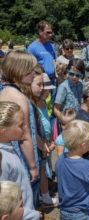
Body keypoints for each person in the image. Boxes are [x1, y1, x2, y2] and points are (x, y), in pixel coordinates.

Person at [0, 51, 40, 201]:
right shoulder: (19, 98)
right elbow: (25, 136)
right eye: (31, 69)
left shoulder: (4, 91)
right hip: (21, 158)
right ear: (19, 70)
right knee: (26, 198)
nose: (34, 73)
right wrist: (32, 167)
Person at [0, 101, 40, 219]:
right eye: (20, 125)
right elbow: (4, 205)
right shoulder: (2, 160)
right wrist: (33, 215)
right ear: (4, 131)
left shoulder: (9, 147)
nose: (25, 127)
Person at [30, 67, 57, 206]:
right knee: (41, 171)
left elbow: (47, 126)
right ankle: (43, 196)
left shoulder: (43, 103)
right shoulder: (33, 105)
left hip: (45, 142)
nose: (47, 92)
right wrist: (44, 146)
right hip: (39, 145)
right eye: (44, 89)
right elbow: (34, 131)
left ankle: (44, 195)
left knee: (44, 170)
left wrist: (50, 141)